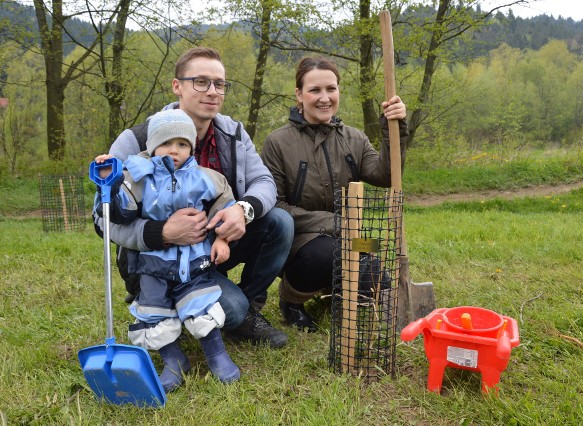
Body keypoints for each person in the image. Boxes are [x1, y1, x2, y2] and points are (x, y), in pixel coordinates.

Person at [94, 47, 294, 348]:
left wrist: (242, 210)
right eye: (201, 81)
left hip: (214, 248)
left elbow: (263, 182)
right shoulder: (134, 140)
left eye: (219, 84)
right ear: (177, 86)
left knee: (279, 222)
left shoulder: (234, 134)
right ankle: (165, 303)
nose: (212, 91)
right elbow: (101, 217)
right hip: (158, 261)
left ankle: (248, 312)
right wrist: (160, 232)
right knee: (231, 309)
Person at [94, 109, 241, 392]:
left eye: (182, 144)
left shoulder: (206, 178)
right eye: (166, 144)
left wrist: (222, 239)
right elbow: (120, 214)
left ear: (191, 148)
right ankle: (173, 359)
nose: (174, 150)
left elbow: (224, 207)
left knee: (201, 304)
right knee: (153, 310)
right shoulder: (137, 176)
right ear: (152, 146)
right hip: (152, 262)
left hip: (193, 259)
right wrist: (110, 182)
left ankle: (216, 354)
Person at [260, 56, 409, 332]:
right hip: (301, 242)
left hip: (350, 236)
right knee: (329, 254)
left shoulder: (354, 138)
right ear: (299, 94)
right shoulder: (278, 143)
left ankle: (336, 288)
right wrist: (333, 223)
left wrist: (394, 130)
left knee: (379, 278)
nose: (324, 98)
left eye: (331, 88)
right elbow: (275, 205)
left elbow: (385, 175)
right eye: (315, 90)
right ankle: (291, 299)